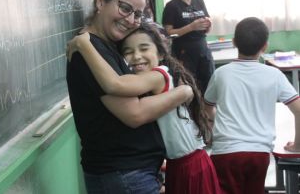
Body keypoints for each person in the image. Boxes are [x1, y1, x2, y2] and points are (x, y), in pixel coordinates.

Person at [66, 0, 194, 194]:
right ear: (100, 2)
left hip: (134, 174)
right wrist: (184, 92)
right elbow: (134, 114)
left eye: (138, 14)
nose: (131, 19)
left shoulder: (106, 45)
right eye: (125, 8)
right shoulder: (88, 50)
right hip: (124, 175)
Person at [68, 22, 221, 194]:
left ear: (161, 53)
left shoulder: (159, 75)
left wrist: (85, 46)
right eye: (128, 51)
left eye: (143, 48)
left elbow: (116, 84)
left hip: (190, 165)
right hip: (178, 164)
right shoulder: (150, 84)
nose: (136, 56)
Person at [204, 17, 300, 194]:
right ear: (265, 46)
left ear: (234, 43)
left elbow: (208, 108)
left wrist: (218, 121)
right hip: (259, 153)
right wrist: (297, 146)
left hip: (225, 152)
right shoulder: (274, 75)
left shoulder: (221, 74)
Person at [162, 0, 214, 95]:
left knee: (209, 84)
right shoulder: (171, 6)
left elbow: (206, 26)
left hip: (203, 49)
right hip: (184, 53)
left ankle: (207, 113)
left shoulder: (199, 1)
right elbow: (168, 33)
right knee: (189, 88)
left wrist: (208, 24)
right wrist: (191, 27)